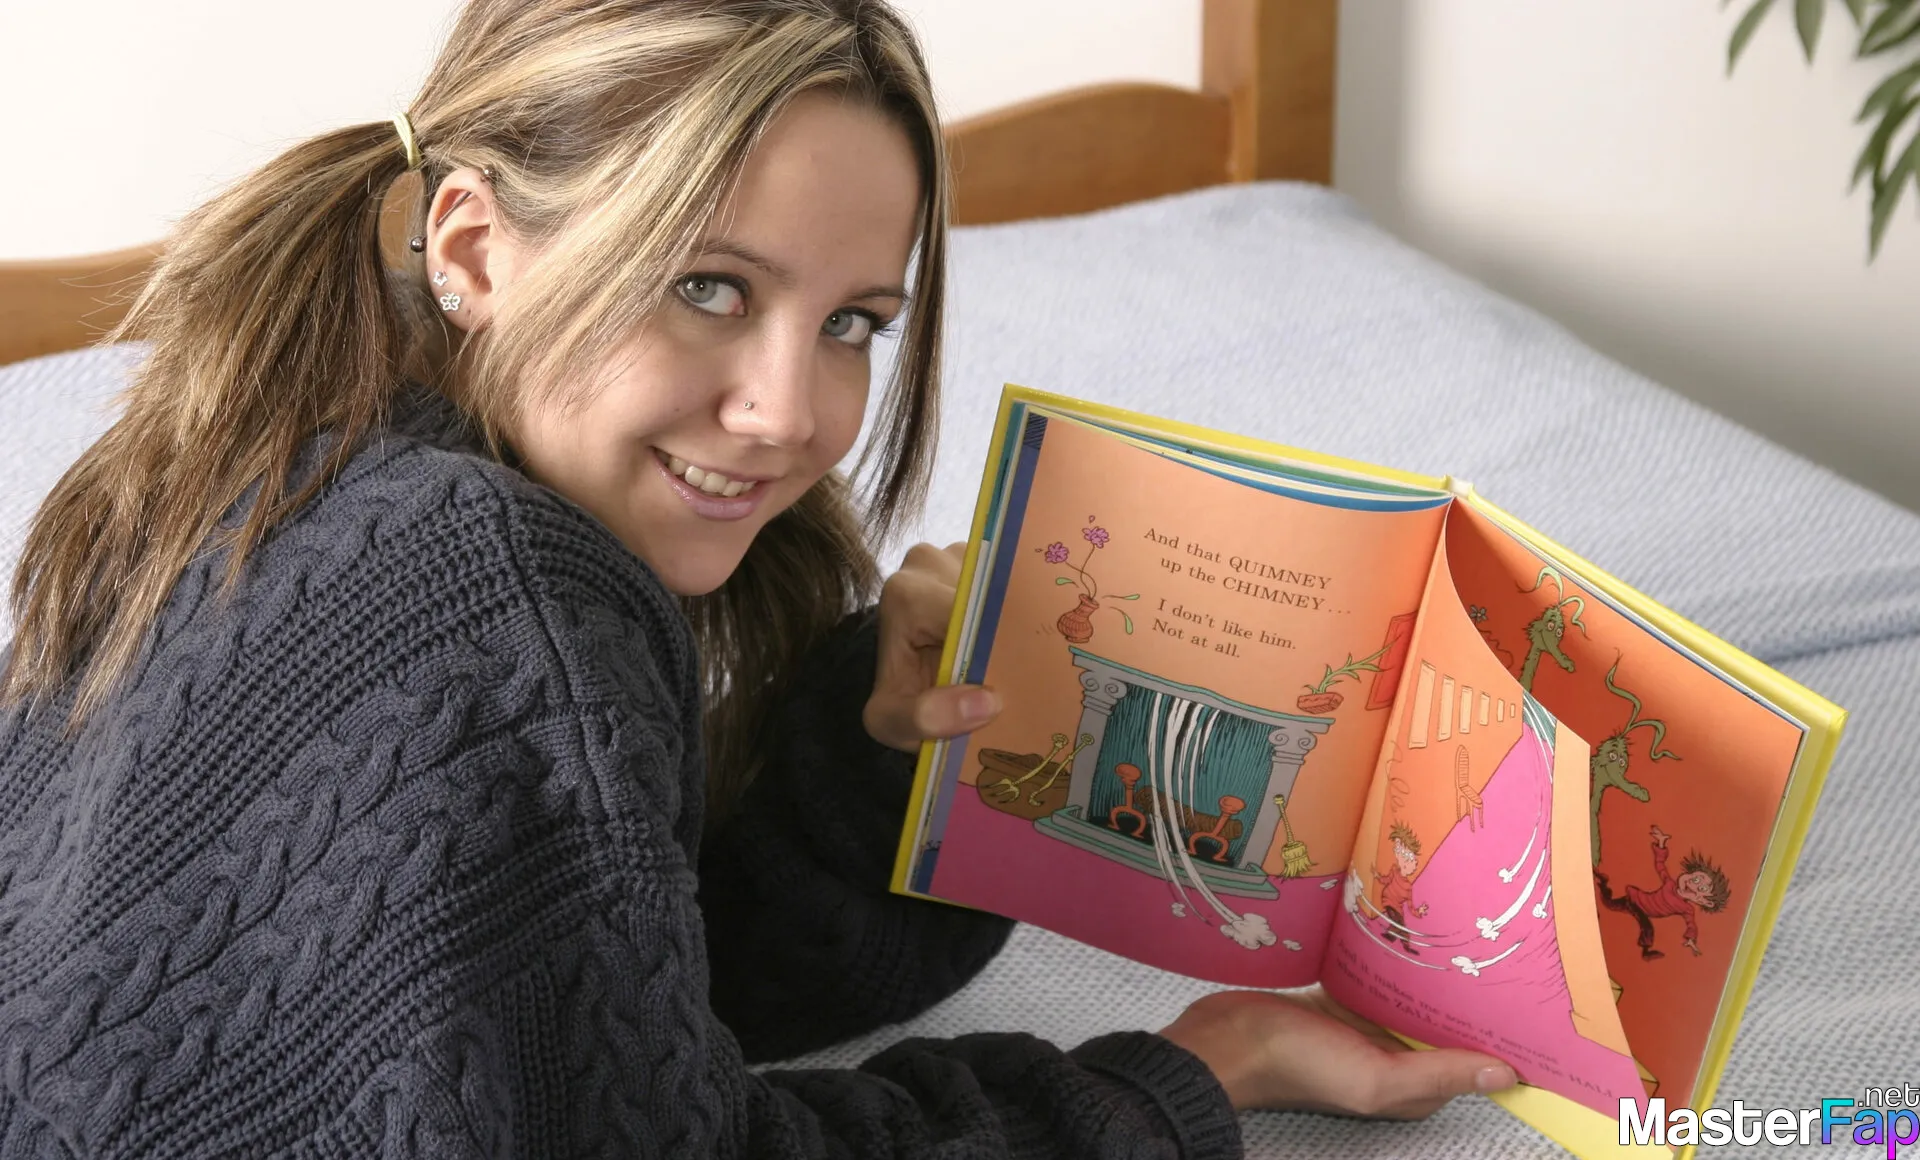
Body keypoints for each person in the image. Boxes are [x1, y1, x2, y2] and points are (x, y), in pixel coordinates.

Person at [0, 1, 1518, 1154]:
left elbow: (584, 999)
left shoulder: (257, 460)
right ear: (471, 248)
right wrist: (1200, 1070)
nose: (791, 413)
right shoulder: (495, 582)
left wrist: (869, 759)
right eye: (708, 288)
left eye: (854, 323)